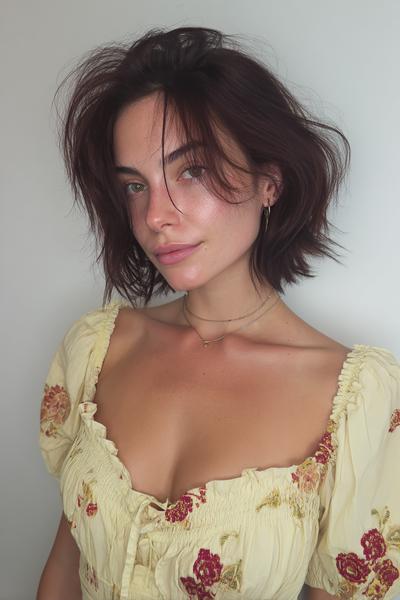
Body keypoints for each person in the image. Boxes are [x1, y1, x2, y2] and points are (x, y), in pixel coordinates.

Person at [36, 26, 400, 600]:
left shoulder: (353, 401)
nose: (156, 215)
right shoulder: (97, 349)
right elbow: (63, 565)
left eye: (191, 171)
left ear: (269, 182)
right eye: (135, 186)